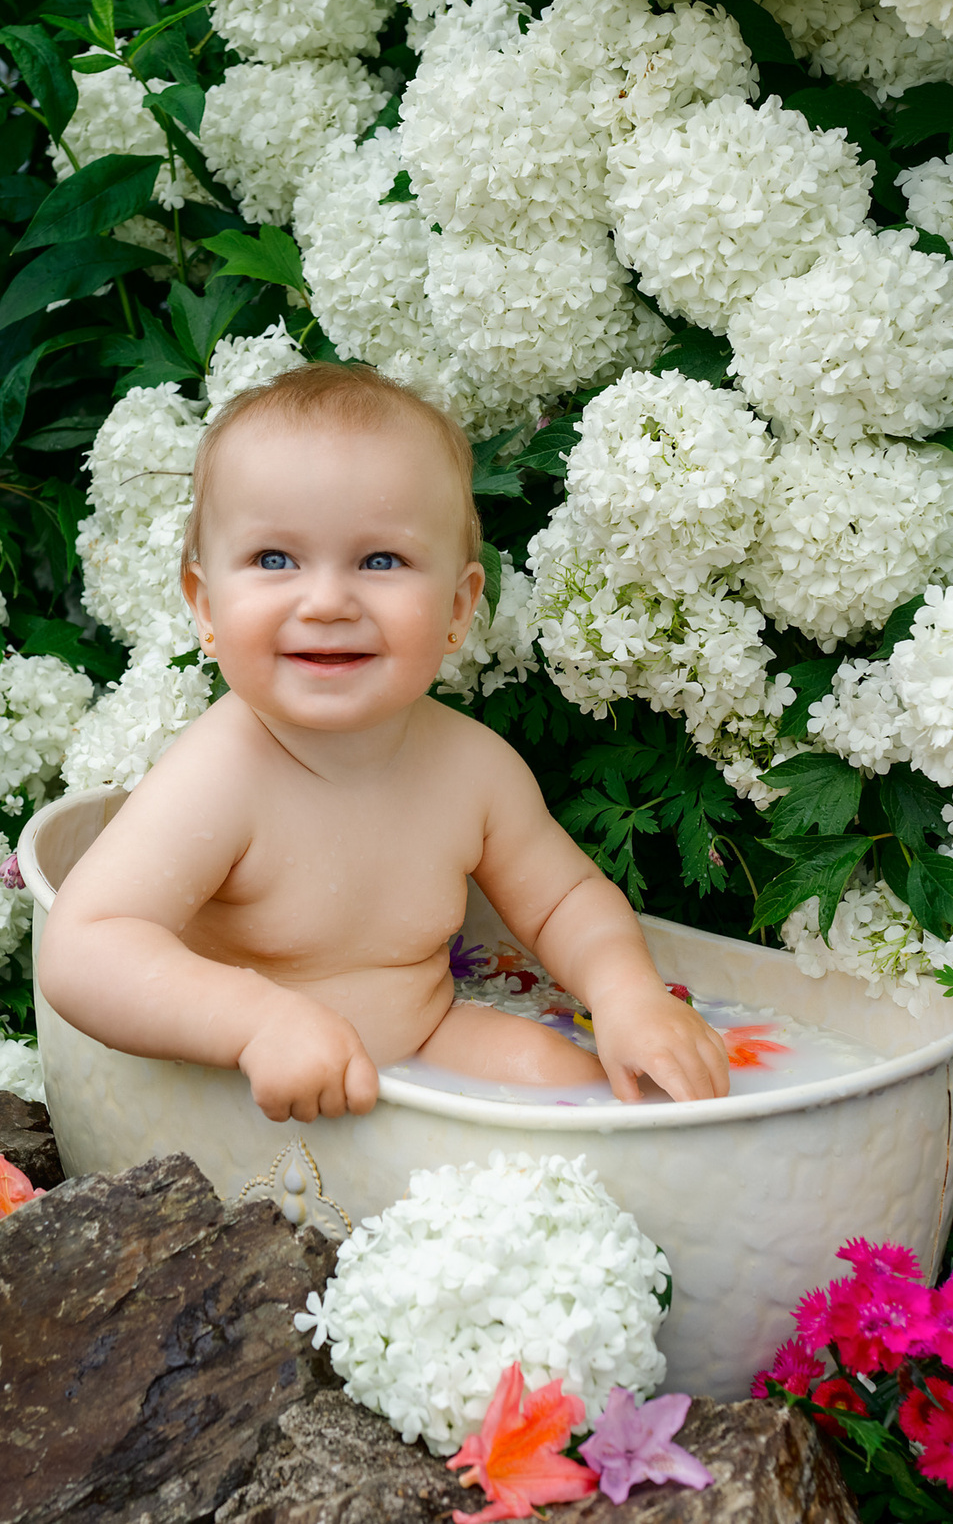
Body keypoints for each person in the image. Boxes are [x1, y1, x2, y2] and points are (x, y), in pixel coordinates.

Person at [40, 362, 732, 1124]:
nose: (328, 602)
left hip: (425, 1033)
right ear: (206, 606)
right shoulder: (218, 778)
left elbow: (564, 901)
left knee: (574, 1083)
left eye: (381, 561)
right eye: (275, 559)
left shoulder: (473, 770)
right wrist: (256, 1022)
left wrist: (628, 996)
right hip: (245, 1083)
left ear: (458, 608)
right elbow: (84, 947)